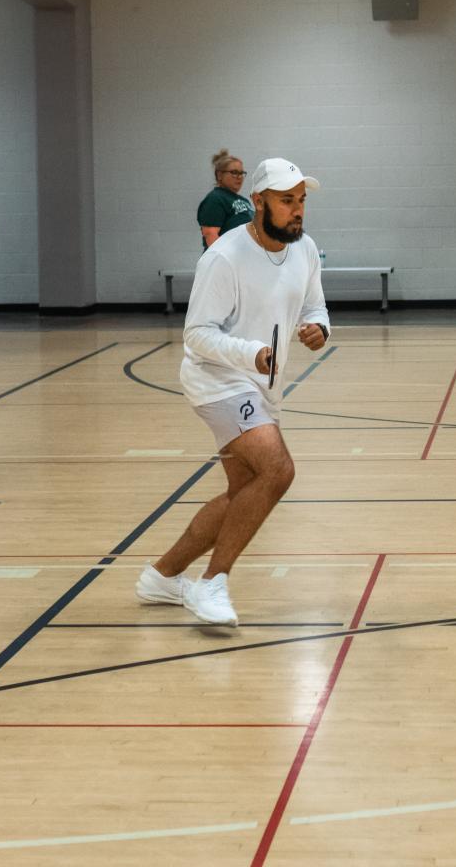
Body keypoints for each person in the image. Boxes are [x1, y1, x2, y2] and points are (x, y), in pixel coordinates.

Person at [136, 158, 331, 626]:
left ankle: (162, 577)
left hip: (262, 383)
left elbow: (315, 305)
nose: (297, 210)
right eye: (287, 201)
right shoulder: (223, 257)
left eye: (301, 200)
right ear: (259, 202)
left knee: (245, 491)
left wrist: (319, 329)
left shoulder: (304, 250)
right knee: (278, 470)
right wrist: (252, 353)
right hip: (216, 378)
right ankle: (213, 582)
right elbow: (196, 335)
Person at [197, 149, 253, 251]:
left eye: (241, 173)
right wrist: (226, 260)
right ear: (219, 175)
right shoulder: (215, 199)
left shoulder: (244, 200)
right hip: (225, 261)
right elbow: (210, 234)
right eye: (234, 172)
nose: (239, 177)